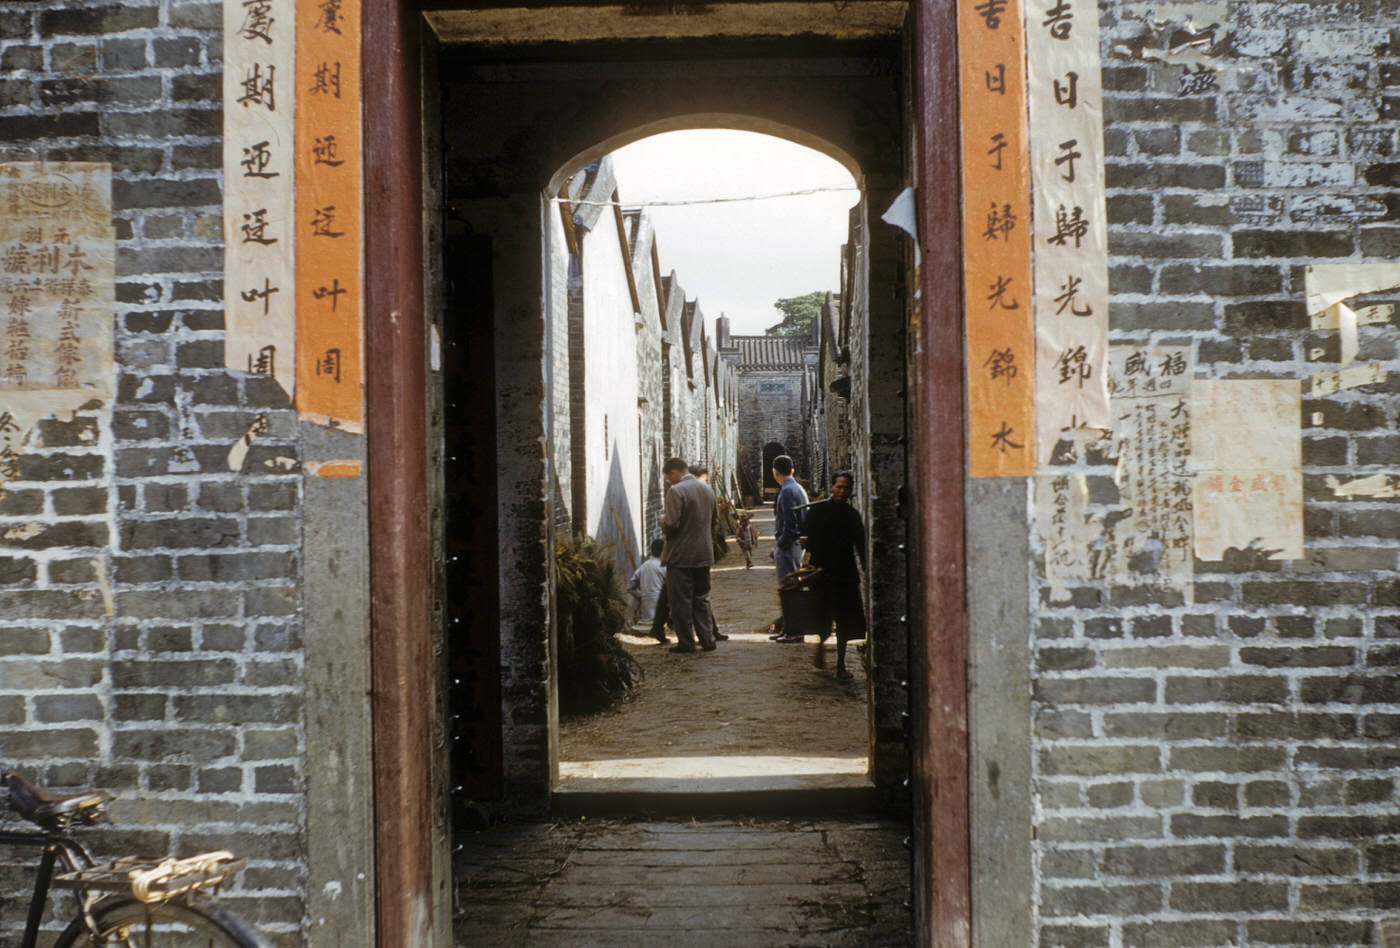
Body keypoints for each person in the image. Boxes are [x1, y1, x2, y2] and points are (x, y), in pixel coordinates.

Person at [802, 470, 867, 679]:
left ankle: (840, 664)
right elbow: (807, 538)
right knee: (822, 615)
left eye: (846, 488)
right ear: (831, 487)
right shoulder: (817, 512)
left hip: (845, 574)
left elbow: (861, 545)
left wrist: (866, 568)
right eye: (838, 487)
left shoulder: (852, 516)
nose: (842, 491)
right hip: (822, 572)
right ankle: (820, 645)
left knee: (845, 621)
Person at [659, 457, 718, 654]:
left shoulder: (676, 491)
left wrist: (662, 521)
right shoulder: (707, 489)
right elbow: (714, 521)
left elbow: (672, 526)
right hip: (704, 554)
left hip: (681, 556)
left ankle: (686, 642)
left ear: (674, 473)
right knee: (702, 598)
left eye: (668, 478)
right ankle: (707, 640)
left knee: (681, 602)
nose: (669, 482)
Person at [770, 455, 809, 644]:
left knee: (789, 589)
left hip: (789, 546)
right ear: (792, 470)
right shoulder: (796, 488)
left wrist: (781, 544)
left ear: (775, 472)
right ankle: (788, 628)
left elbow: (790, 525)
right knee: (790, 588)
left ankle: (794, 630)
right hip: (794, 545)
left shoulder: (787, 491)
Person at [627, 538, 666, 626]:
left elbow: (630, 587)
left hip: (645, 613)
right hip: (660, 613)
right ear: (663, 552)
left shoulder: (643, 567)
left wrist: (641, 595)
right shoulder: (663, 567)